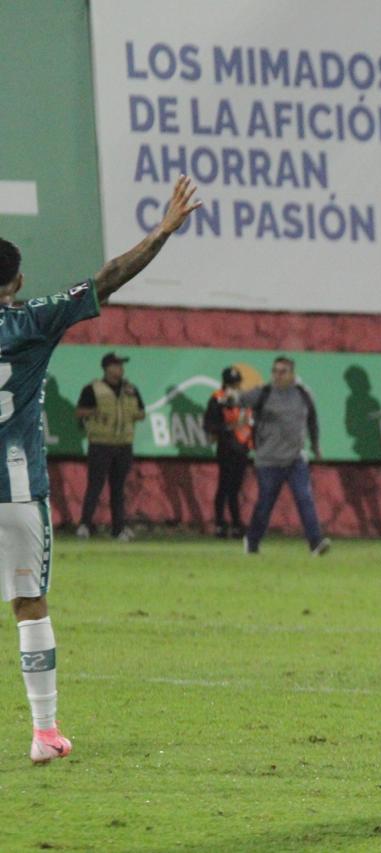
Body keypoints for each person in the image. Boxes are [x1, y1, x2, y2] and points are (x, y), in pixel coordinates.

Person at [0, 175, 200, 763]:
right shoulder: (32, 320)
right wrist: (162, 232)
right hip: (16, 490)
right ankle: (44, 733)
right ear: (17, 282)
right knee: (29, 605)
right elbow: (108, 277)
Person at [240, 356, 331, 555]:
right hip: (268, 460)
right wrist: (231, 398)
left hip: (295, 459)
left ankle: (316, 543)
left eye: (282, 372)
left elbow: (312, 420)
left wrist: (315, 446)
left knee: (305, 498)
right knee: (265, 504)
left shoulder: (303, 394)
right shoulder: (263, 393)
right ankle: (252, 540)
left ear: (292, 374)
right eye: (275, 371)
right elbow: (241, 400)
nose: (277, 375)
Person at [74, 352, 145, 540]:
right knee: (95, 486)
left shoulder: (130, 389)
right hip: (100, 443)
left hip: (123, 444)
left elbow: (141, 412)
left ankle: (118, 528)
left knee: (118, 489)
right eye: (117, 365)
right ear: (107, 368)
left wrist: (132, 414)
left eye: (121, 365)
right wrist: (97, 412)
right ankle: (85, 525)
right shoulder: (93, 389)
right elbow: (80, 411)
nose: (121, 369)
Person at [203, 366, 252, 538]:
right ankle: (220, 523)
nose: (235, 386)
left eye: (236, 383)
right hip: (226, 447)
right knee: (224, 486)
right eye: (231, 383)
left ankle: (236, 523)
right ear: (224, 383)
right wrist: (227, 428)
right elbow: (209, 425)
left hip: (242, 447)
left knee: (236, 488)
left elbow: (251, 421)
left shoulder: (244, 399)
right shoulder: (217, 399)